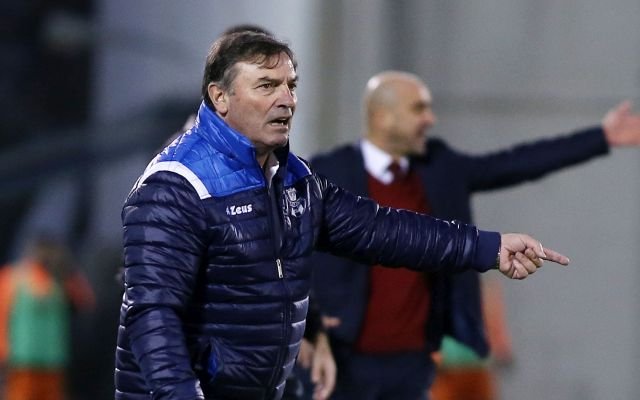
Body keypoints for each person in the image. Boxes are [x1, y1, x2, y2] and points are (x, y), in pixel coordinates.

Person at [113, 32, 569, 400]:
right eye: (267, 86)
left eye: (291, 85)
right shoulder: (177, 185)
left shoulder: (294, 179)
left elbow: (381, 229)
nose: (286, 100)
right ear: (220, 97)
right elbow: (152, 314)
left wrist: (488, 247)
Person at [308, 70, 640, 400]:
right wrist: (310, 323)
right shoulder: (325, 173)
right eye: (418, 108)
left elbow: (514, 163)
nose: (430, 119)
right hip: (341, 356)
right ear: (382, 116)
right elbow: (293, 251)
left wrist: (601, 137)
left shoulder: (439, 166)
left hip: (415, 360)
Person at [0, 235, 95, 400]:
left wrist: (70, 271)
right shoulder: (13, 276)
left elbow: (85, 301)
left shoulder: (60, 279)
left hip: (53, 361)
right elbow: (2, 314)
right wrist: (3, 350)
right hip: (22, 361)